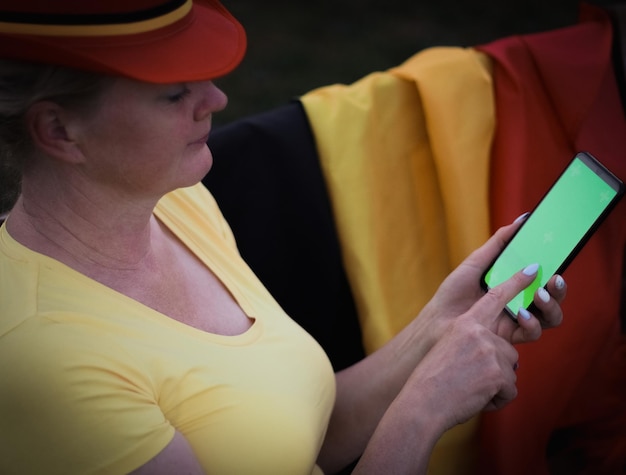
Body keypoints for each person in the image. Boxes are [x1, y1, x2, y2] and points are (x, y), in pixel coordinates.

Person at [0, 1, 566, 474]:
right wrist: (422, 411)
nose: (216, 99)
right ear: (58, 130)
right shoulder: (40, 363)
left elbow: (294, 439)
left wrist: (437, 327)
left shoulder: (178, 204)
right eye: (174, 94)